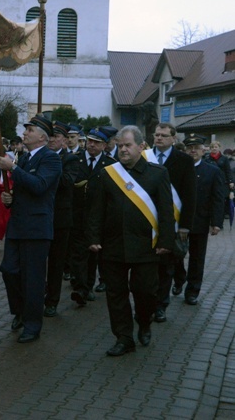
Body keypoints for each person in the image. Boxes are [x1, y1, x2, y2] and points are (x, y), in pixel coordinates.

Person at [87, 126, 175, 356]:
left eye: (127, 145)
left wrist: (166, 240)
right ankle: (124, 338)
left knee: (146, 292)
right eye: (120, 145)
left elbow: (166, 211)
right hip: (113, 245)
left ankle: (144, 321)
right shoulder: (108, 174)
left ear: (141, 146)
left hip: (147, 246)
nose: (123, 150)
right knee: (116, 294)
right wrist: (94, 238)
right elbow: (96, 210)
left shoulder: (158, 173)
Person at [0, 116, 62, 342]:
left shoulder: (51, 159)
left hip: (36, 227)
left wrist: (13, 168)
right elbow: (22, 190)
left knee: (33, 278)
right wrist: (10, 198)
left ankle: (32, 325)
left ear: (42, 136)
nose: (25, 134)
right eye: (25, 130)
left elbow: (39, 186)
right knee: (9, 270)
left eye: (30, 130)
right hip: (18, 225)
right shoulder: (24, 159)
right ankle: (20, 311)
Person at [143, 123, 196, 324]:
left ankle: (161, 306)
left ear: (173, 138)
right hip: (147, 218)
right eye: (156, 134)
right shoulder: (144, 157)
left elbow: (190, 195)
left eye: (164, 135)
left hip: (170, 222)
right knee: (147, 266)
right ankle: (146, 304)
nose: (158, 138)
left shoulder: (184, 160)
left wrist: (184, 225)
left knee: (166, 266)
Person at [173, 134, 224, 305]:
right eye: (189, 147)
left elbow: (217, 198)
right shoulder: (176, 168)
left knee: (196, 258)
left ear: (204, 150)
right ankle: (179, 279)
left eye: (196, 148)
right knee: (175, 256)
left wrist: (216, 222)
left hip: (199, 222)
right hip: (177, 221)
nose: (192, 150)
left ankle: (192, 291)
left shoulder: (213, 171)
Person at [69, 128, 116, 306]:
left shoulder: (110, 164)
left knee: (93, 254)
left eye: (96, 142)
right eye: (90, 141)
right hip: (78, 215)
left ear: (104, 145)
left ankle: (87, 286)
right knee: (78, 254)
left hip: (99, 219)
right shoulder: (76, 160)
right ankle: (80, 287)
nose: (92, 145)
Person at [43, 121, 80, 317]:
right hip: (41, 217)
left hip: (60, 218)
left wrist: (49, 171)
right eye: (49, 136)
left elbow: (67, 182)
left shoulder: (70, 160)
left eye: (56, 137)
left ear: (65, 140)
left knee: (56, 263)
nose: (51, 140)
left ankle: (52, 301)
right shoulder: (41, 157)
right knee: (39, 261)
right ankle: (39, 294)